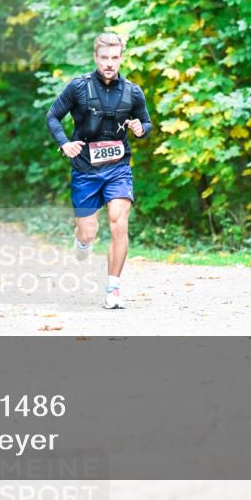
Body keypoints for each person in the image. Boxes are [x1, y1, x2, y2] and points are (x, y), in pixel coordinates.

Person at [45, 32, 152, 310]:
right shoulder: (78, 87)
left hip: (118, 167)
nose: (109, 64)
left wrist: (141, 129)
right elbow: (53, 116)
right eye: (104, 58)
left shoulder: (132, 91)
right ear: (96, 58)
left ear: (121, 58)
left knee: (120, 223)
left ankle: (113, 289)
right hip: (85, 168)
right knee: (88, 233)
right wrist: (64, 143)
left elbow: (146, 122)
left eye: (114, 58)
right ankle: (82, 241)